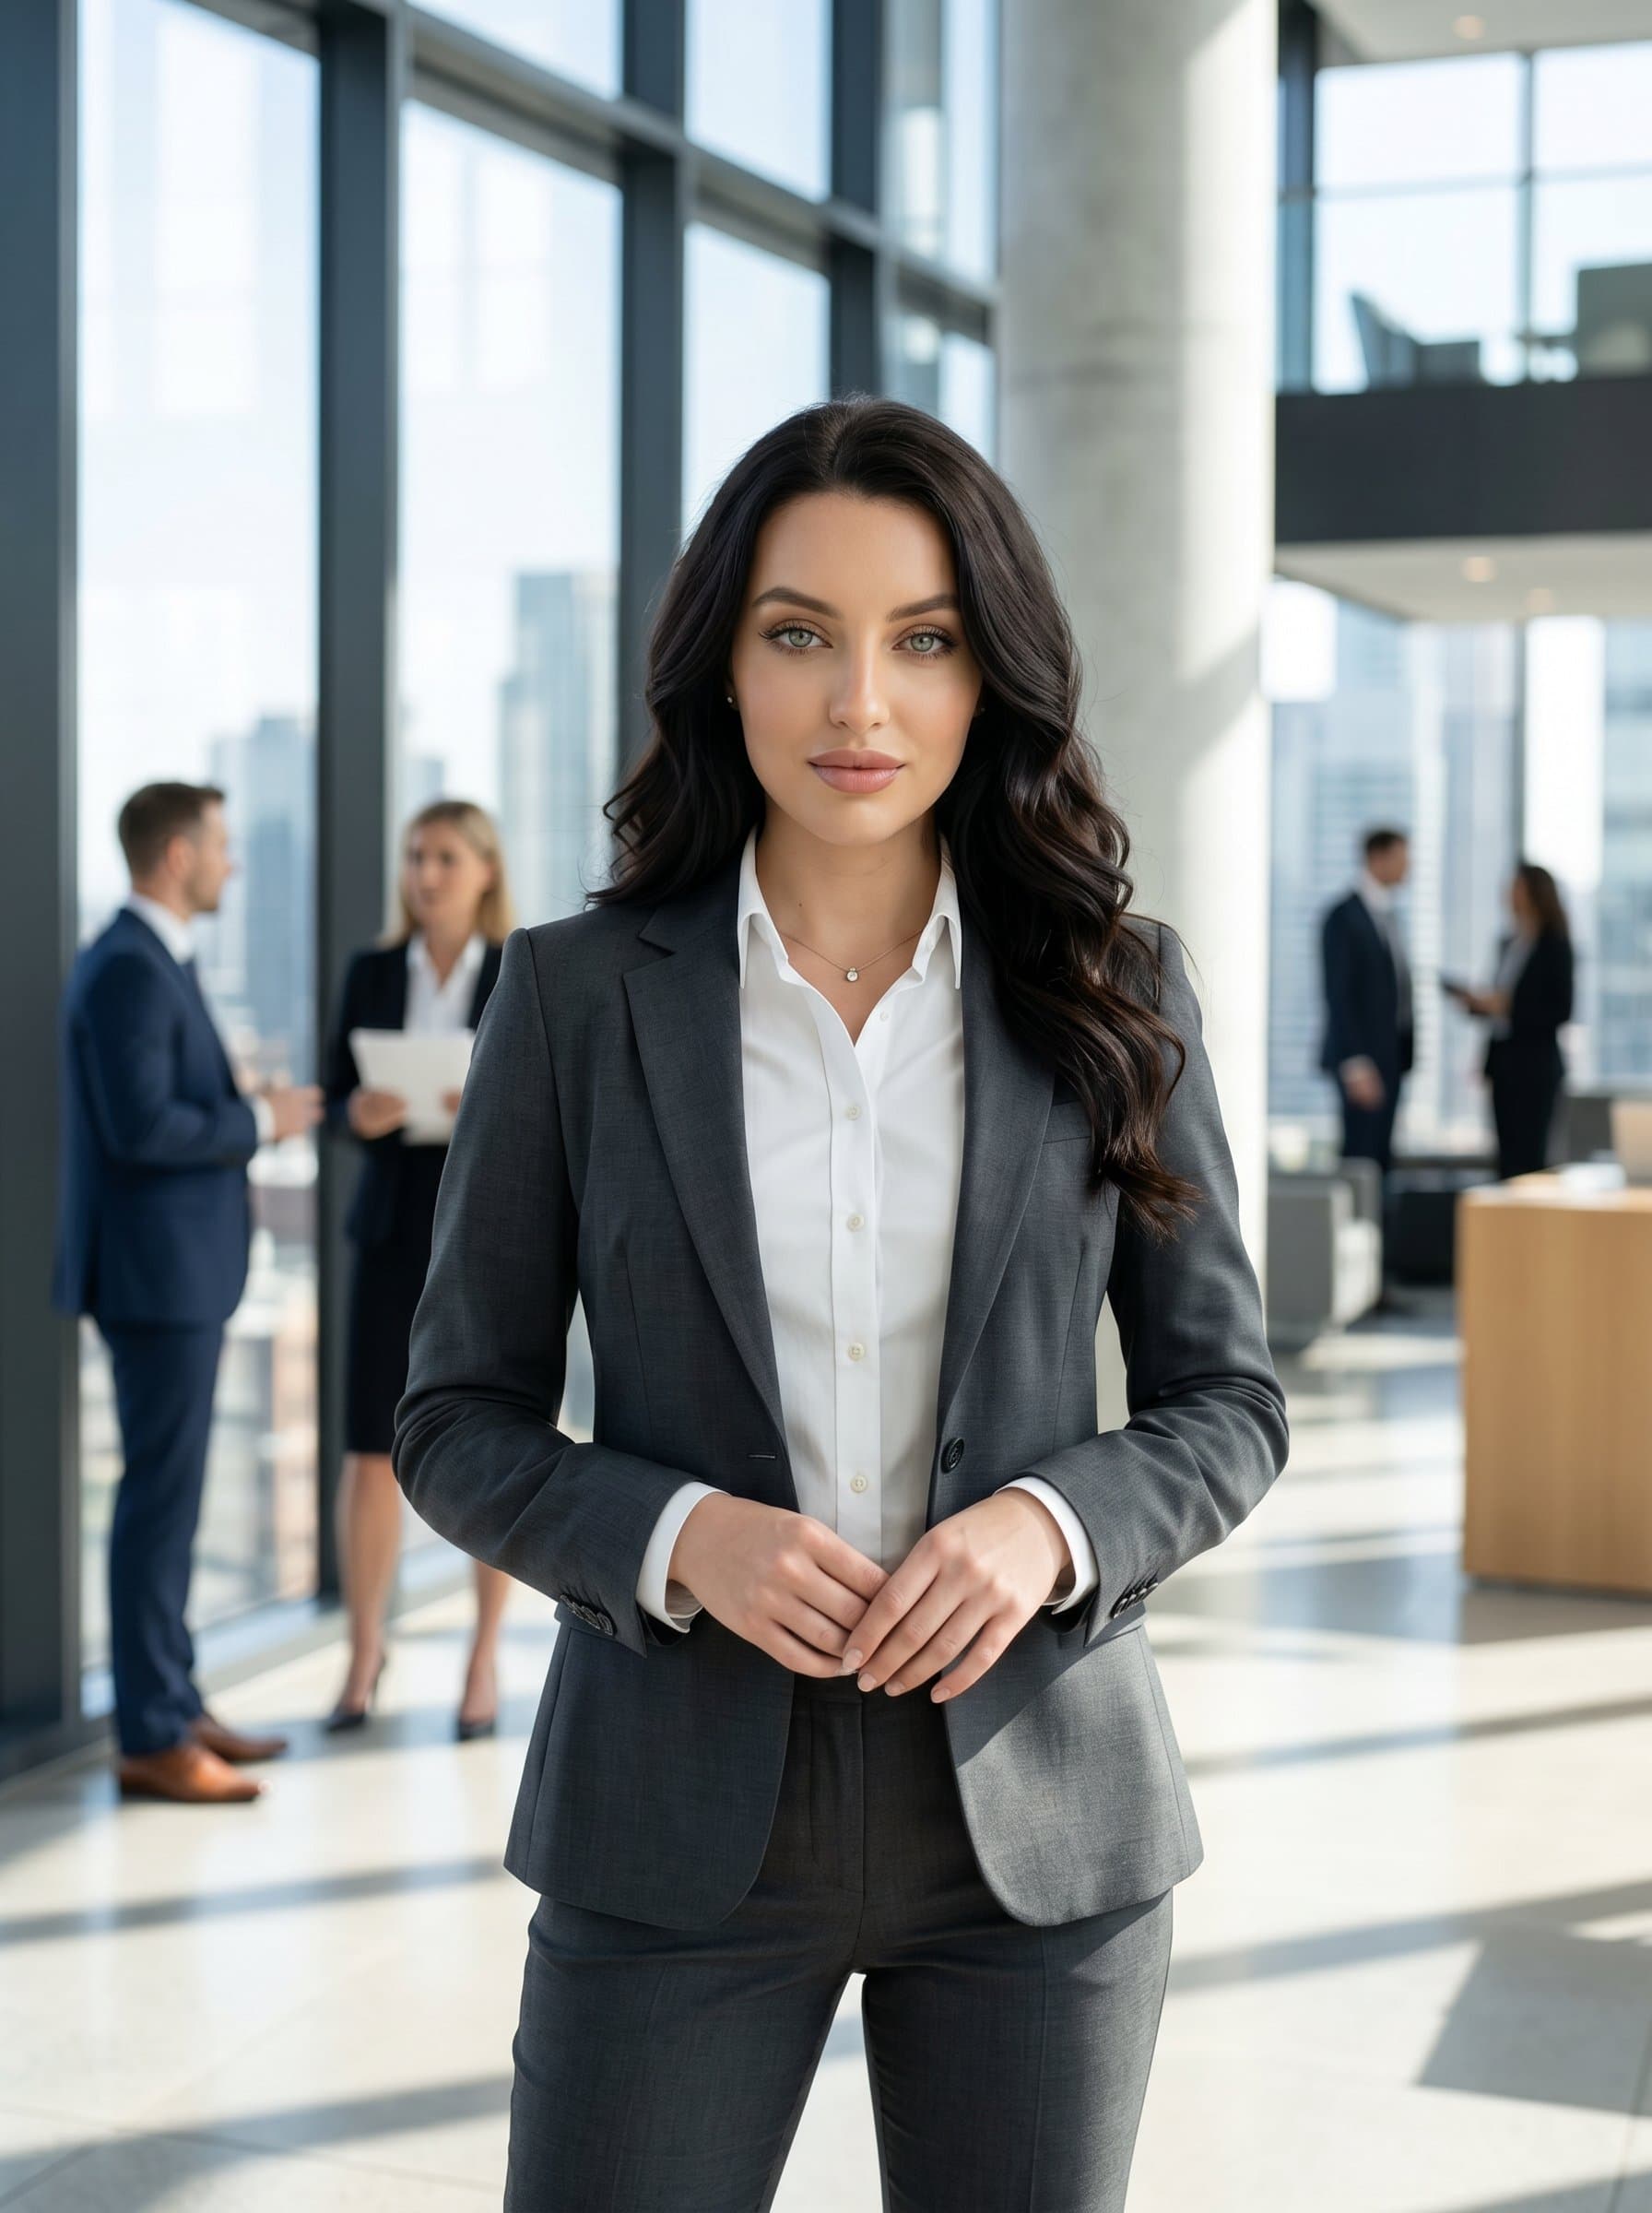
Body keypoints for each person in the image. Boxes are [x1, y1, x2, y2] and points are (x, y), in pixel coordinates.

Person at [394, 396, 1291, 2212]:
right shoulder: (574, 1001)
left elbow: (1226, 1402)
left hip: (1037, 1825)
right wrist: (675, 1537)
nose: (856, 704)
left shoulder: (1116, 990)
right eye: (798, 633)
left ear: (989, 679)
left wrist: (1045, 1529)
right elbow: (450, 1418)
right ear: (722, 666)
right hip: (671, 1817)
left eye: (922, 641)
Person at [53, 782, 323, 1804]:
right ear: (175, 855)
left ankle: (176, 1702)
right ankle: (153, 1733)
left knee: (166, 1502)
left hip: (173, 1276)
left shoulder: (150, 959)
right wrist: (261, 1122)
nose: (232, 864)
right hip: (156, 1280)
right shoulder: (128, 966)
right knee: (158, 1508)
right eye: (220, 846)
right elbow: (145, 1130)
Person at [320, 800, 514, 1737]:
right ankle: (364, 1651)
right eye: (414, 858)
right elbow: (333, 1096)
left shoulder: (522, 970)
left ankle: (483, 1660)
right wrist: (355, 1114)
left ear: (484, 870)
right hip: (392, 1230)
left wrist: (479, 1104)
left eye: (443, 857)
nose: (425, 875)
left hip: (488, 1242)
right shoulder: (369, 972)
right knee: (367, 1450)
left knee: (497, 1446)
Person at [1447, 861, 1574, 1180]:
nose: (1508, 896)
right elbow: (1498, 1008)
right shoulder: (1507, 944)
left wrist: (1509, 1007)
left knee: (1531, 1156)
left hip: (1537, 1066)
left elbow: (1561, 1010)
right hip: (1503, 1062)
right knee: (1505, 1157)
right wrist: (1479, 1004)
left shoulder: (1555, 945)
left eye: (1516, 888)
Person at [1319, 825, 1414, 1174]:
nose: (1410, 867)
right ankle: (1361, 1229)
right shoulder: (1344, 917)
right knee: (1361, 1158)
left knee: (1382, 1161)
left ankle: (1379, 1228)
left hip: (1390, 1058)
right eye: (1403, 858)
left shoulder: (1389, 916)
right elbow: (1338, 994)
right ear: (1378, 857)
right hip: (1362, 1064)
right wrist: (1355, 1062)